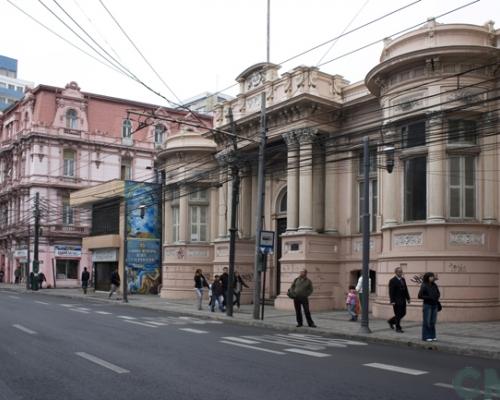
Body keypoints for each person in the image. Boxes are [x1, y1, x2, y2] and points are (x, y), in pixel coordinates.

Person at [418, 272, 441, 342]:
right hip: (427, 305)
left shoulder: (434, 285)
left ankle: (433, 336)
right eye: (430, 276)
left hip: (434, 305)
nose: (432, 278)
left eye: (432, 276)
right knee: (427, 321)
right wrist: (429, 297)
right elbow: (419, 296)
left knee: (433, 321)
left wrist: (437, 296)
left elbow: (438, 293)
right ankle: (426, 336)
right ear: (427, 277)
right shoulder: (424, 285)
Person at [387, 267, 411, 333]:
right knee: (398, 314)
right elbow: (391, 292)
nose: (401, 273)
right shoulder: (392, 280)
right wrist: (392, 301)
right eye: (399, 272)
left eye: (401, 272)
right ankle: (398, 328)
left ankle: (391, 321)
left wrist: (408, 298)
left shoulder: (403, 279)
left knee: (403, 313)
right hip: (396, 301)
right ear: (396, 272)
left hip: (403, 300)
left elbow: (405, 289)